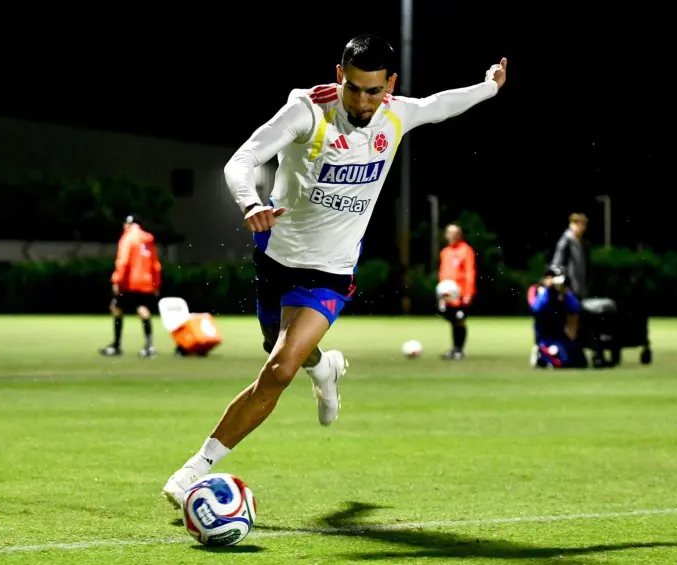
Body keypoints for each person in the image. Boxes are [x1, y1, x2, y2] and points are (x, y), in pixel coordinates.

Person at [162, 34, 507, 508]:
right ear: (340, 75)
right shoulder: (306, 110)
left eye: (374, 91)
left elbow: (440, 105)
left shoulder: (396, 114)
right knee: (278, 345)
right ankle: (325, 368)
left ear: (390, 84)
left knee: (279, 368)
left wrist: (489, 87)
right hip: (276, 258)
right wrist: (250, 203)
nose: (363, 102)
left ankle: (193, 470)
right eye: (355, 89)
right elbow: (241, 161)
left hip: (331, 270)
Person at [99, 216, 162, 358]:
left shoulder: (127, 238)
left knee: (116, 308)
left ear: (128, 224)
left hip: (130, 282)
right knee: (143, 310)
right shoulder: (148, 239)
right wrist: (156, 284)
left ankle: (116, 345)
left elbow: (123, 262)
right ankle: (149, 346)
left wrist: (117, 280)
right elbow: (156, 265)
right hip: (146, 281)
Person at [527, 266, 587, 368]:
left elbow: (576, 308)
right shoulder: (538, 291)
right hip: (545, 338)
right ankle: (540, 353)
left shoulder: (564, 293)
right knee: (562, 361)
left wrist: (565, 293)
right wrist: (548, 291)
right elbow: (536, 309)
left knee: (580, 361)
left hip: (561, 337)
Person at [437, 224, 476, 360]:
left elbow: (470, 272)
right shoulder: (445, 252)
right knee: (453, 320)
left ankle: (459, 350)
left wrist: (468, 293)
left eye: (452, 233)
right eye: (448, 233)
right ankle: (454, 348)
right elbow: (442, 273)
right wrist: (441, 293)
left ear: (459, 235)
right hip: (447, 295)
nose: (449, 236)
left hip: (460, 295)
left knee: (460, 320)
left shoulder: (466, 250)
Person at [551, 213, 589, 300]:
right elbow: (557, 264)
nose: (583, 228)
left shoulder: (582, 243)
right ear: (572, 224)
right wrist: (562, 284)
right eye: (580, 225)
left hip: (579, 287)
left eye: (584, 225)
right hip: (568, 288)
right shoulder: (566, 241)